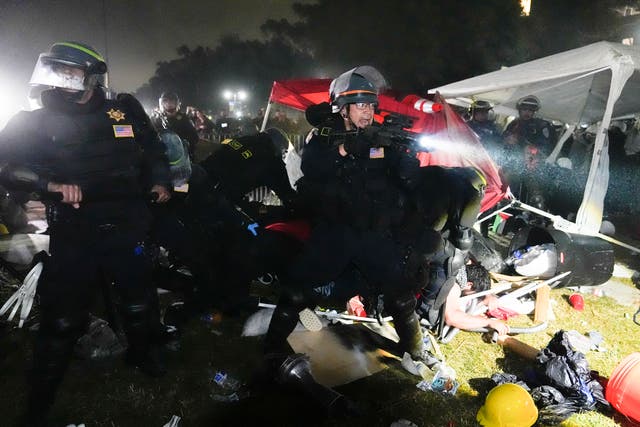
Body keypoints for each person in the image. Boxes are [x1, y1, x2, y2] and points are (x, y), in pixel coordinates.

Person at [0, 41, 172, 424]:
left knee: (140, 300)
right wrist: (50, 184)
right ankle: (41, 398)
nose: (62, 82)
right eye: (57, 72)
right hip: (76, 228)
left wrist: (159, 181)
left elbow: (153, 152)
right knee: (62, 318)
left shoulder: (124, 108)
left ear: (92, 75)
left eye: (71, 73)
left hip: (128, 222)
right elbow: (6, 166)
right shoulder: (34, 121)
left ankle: (144, 354)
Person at [261, 67, 440, 407]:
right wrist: (348, 150)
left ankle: (416, 351)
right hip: (335, 231)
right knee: (299, 287)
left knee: (401, 293)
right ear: (342, 109)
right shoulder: (324, 137)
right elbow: (313, 168)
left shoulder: (381, 138)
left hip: (374, 234)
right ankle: (272, 345)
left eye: (370, 106)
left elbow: (403, 179)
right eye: (359, 106)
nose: (367, 113)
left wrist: (406, 165)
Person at [417, 263, 510, 337]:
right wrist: (489, 322)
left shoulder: (455, 265)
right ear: (469, 284)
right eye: (474, 293)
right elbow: (452, 317)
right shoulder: (454, 286)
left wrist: (487, 295)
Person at [502, 95, 556, 205]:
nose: (527, 113)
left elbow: (546, 147)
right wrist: (507, 141)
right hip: (513, 165)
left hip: (532, 167)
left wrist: (532, 149)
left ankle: (536, 217)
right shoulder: (513, 124)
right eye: (524, 109)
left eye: (531, 110)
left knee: (536, 196)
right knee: (504, 191)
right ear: (520, 110)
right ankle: (501, 212)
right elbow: (502, 143)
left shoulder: (541, 125)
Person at [151, 92, 200, 159]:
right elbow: (151, 136)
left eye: (171, 101)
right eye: (166, 101)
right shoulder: (157, 120)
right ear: (162, 104)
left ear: (176, 103)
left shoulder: (184, 119)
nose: (169, 104)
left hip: (183, 157)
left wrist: (183, 143)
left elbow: (195, 138)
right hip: (164, 157)